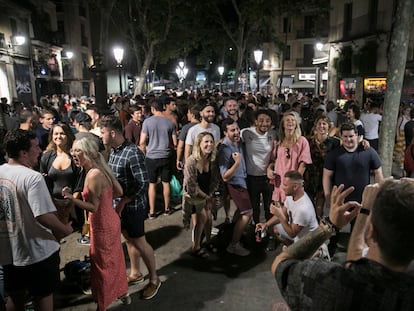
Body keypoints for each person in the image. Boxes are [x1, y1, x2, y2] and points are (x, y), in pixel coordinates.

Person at [272, 180, 414, 311]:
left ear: (371, 233)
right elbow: (357, 262)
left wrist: (330, 225)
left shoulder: (330, 282)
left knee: (279, 308)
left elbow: (281, 263)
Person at [0, 129, 72, 311]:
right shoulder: (32, 177)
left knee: (15, 298)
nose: (40, 151)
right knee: (43, 297)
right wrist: (64, 229)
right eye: (36, 147)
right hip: (37, 252)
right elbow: (42, 216)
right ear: (23, 153)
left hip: (9, 251)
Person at [62, 138, 129, 310]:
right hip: (111, 219)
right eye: (73, 150)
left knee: (101, 264)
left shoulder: (92, 175)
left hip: (102, 225)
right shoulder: (101, 169)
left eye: (78, 151)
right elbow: (119, 191)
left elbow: (93, 207)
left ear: (88, 153)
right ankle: (122, 292)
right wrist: (106, 201)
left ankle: (103, 303)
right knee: (114, 258)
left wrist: (71, 199)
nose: (74, 154)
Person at [100, 115, 161, 300]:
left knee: (140, 242)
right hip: (120, 207)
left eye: (102, 132)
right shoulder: (114, 150)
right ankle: (135, 273)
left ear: (112, 133)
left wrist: (124, 201)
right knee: (130, 240)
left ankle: (155, 279)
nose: (100, 136)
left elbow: (142, 183)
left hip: (133, 207)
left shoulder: (132, 152)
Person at [323, 122, 383, 256]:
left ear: (357, 135)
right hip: (340, 200)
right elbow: (326, 176)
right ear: (340, 136)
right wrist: (327, 196)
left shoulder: (368, 151)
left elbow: (378, 172)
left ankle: (356, 253)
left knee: (359, 229)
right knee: (334, 228)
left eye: (351, 136)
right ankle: (331, 250)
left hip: (362, 200)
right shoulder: (334, 154)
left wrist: (379, 193)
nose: (348, 139)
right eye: (345, 136)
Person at [218, 118, 253, 256]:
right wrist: (237, 163)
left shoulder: (238, 142)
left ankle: (234, 231)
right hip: (236, 184)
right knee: (248, 213)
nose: (237, 132)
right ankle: (234, 244)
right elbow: (225, 176)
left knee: (242, 210)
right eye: (232, 130)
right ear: (225, 133)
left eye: (237, 129)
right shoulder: (225, 149)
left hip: (243, 181)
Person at [182, 132, 220, 258]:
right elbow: (191, 185)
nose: (209, 144)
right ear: (199, 144)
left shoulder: (212, 160)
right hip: (193, 194)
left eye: (211, 142)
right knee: (203, 216)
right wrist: (206, 197)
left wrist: (212, 196)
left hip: (207, 192)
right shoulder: (191, 161)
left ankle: (208, 242)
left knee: (209, 217)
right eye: (206, 142)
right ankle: (196, 246)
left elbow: (215, 180)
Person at [256, 171, 318, 246]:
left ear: (295, 187)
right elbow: (283, 213)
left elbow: (292, 233)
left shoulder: (303, 209)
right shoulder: (291, 196)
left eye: (285, 185)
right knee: (274, 228)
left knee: (282, 257)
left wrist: (280, 216)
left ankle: (294, 252)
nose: (282, 187)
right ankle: (290, 247)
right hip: (297, 236)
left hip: (308, 243)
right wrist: (265, 225)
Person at [139, 97, 177, 217]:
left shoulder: (147, 122)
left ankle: (152, 211)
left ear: (153, 108)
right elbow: (175, 143)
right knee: (166, 183)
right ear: (163, 107)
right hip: (165, 156)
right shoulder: (170, 122)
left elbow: (142, 141)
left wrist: (145, 152)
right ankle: (167, 208)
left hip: (151, 157)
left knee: (152, 184)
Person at [267, 112, 312, 205]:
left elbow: (303, 164)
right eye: (287, 120)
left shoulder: (302, 141)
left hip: (292, 183)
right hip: (279, 182)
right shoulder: (278, 142)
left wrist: (295, 182)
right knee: (280, 213)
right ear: (283, 124)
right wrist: (269, 169)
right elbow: (273, 161)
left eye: (293, 120)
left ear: (296, 124)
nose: (290, 122)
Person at [241, 109, 276, 224]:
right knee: (254, 207)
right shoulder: (246, 133)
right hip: (252, 177)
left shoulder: (273, 134)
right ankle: (256, 231)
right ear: (255, 121)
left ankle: (269, 231)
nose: (264, 124)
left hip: (268, 177)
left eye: (267, 121)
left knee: (269, 207)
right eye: (261, 120)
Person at [40, 123, 78, 225]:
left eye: (62, 133)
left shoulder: (75, 156)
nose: (58, 137)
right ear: (52, 136)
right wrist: (53, 203)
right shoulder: (47, 157)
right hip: (53, 204)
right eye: (56, 134)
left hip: (75, 204)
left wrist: (69, 206)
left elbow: (80, 183)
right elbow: (43, 183)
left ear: (68, 135)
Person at [304, 116, 341, 217]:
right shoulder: (307, 141)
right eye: (319, 123)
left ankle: (318, 227)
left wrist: (364, 142)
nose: (321, 126)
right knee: (308, 206)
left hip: (326, 178)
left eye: (324, 123)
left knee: (320, 206)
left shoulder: (335, 142)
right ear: (315, 126)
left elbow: (351, 145)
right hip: (309, 178)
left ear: (328, 126)